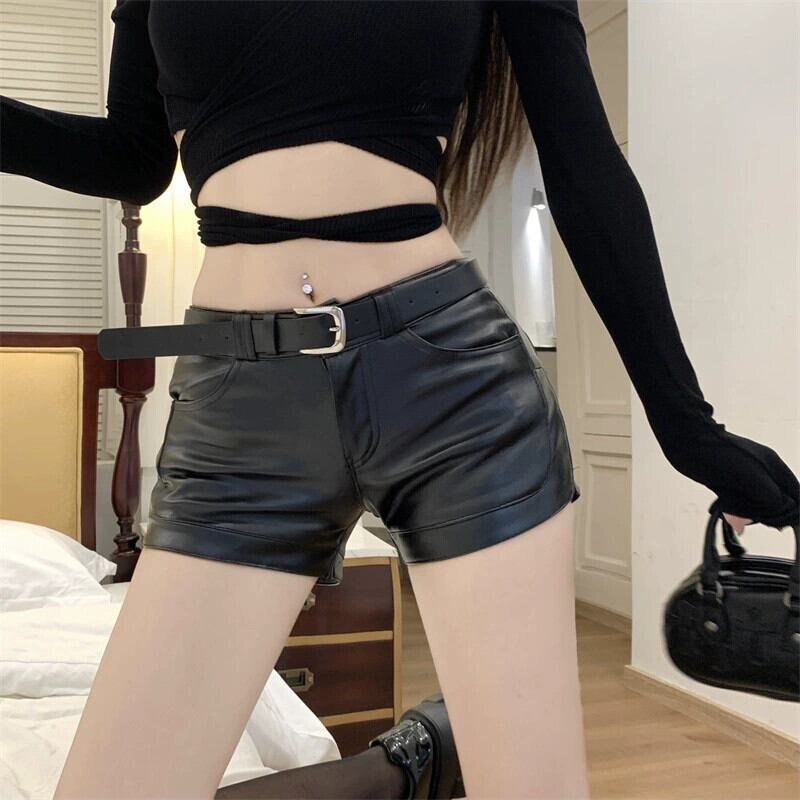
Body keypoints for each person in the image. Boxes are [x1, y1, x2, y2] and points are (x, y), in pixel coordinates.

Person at [1, 1, 797, 798]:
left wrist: (690, 429)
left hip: (452, 389)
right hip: (239, 402)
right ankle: (407, 769)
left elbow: (584, 162)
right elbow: (132, 157)